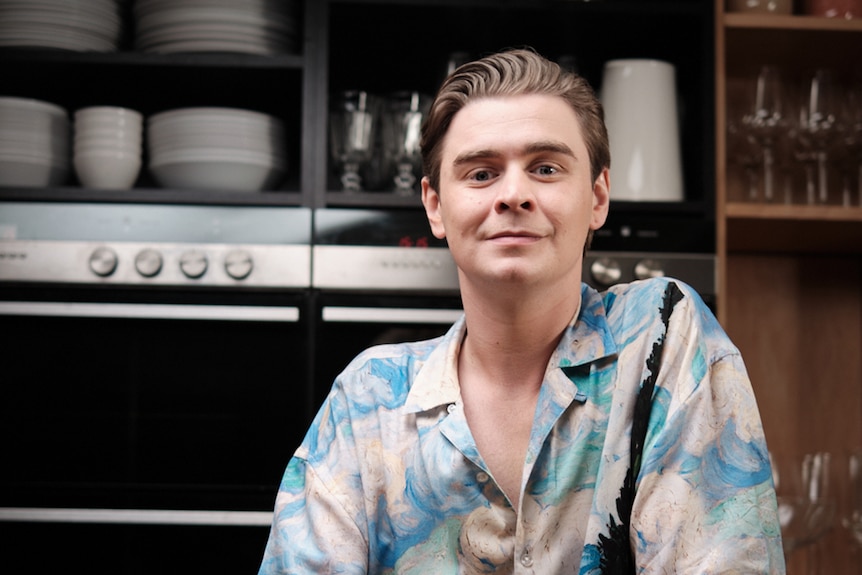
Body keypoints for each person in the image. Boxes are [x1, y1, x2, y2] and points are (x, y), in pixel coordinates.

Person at [258, 48, 785, 574]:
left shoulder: (662, 335)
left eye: (546, 168)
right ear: (436, 205)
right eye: (481, 173)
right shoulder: (367, 398)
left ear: (598, 196)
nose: (514, 194)